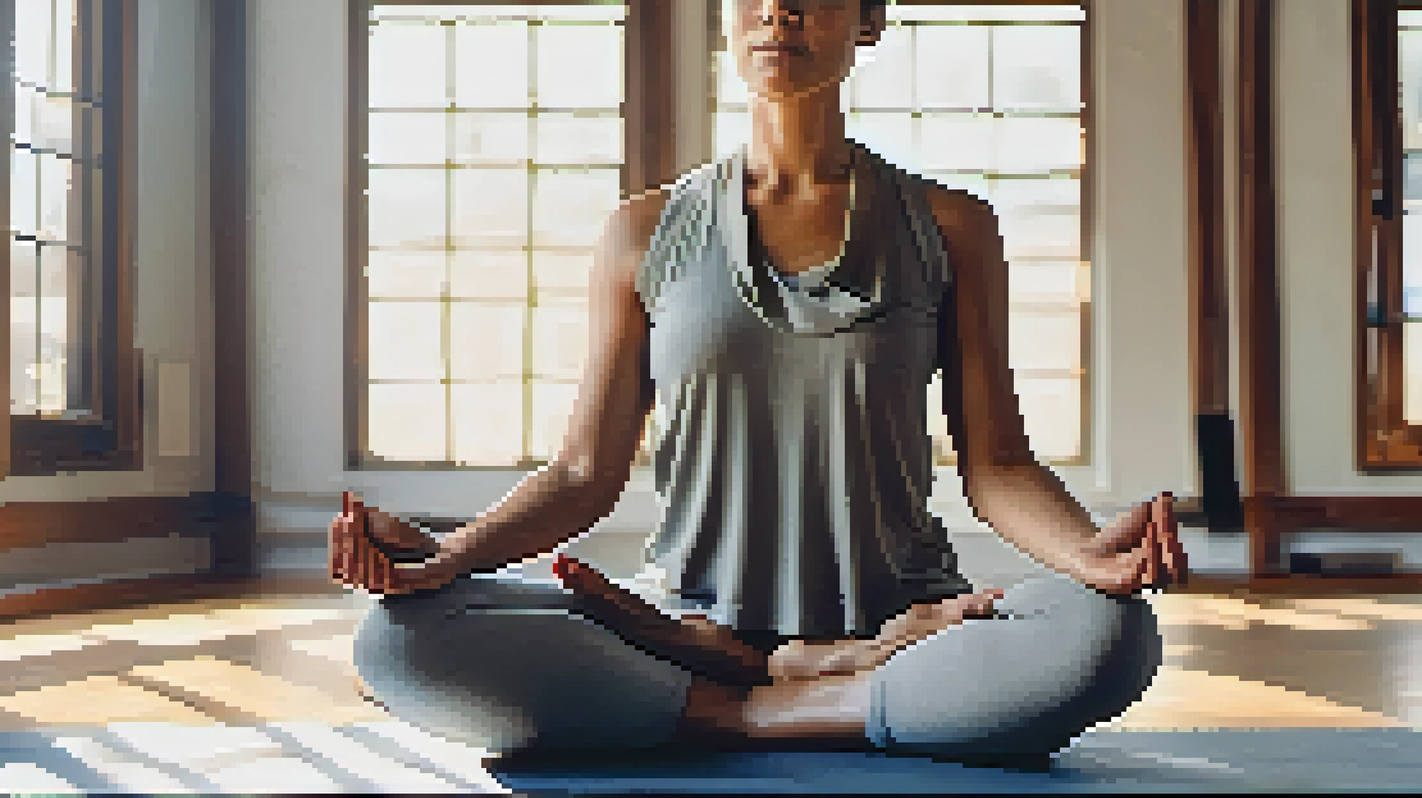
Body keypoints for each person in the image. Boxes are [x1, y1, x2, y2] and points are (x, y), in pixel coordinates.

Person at [334, 0, 1189, 765]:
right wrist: (449, 555)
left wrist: (1087, 555)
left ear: (868, 19)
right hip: (682, 632)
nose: (780, 10)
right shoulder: (643, 232)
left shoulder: (952, 226)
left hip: (908, 630)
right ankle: (805, 697)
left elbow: (997, 464)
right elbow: (582, 473)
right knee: (400, 640)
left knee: (1108, 634)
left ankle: (748, 698)